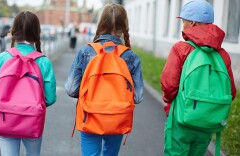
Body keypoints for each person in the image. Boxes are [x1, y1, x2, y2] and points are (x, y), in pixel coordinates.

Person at [65, 3, 144, 156]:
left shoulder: (85, 51)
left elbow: (70, 89)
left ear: (100, 24)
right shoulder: (131, 57)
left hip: (90, 114)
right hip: (117, 116)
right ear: (123, 27)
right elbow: (138, 97)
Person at [161, 0, 237, 155]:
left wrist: (170, 104)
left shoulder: (180, 49)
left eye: (184, 21)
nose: (182, 25)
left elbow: (169, 86)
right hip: (208, 122)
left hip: (181, 119)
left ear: (192, 23)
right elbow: (231, 92)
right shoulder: (222, 55)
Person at [0, 11, 56, 156]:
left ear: (13, 32)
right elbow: (50, 98)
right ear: (37, 32)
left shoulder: (2, 58)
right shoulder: (43, 61)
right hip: (32, 120)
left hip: (4, 118)